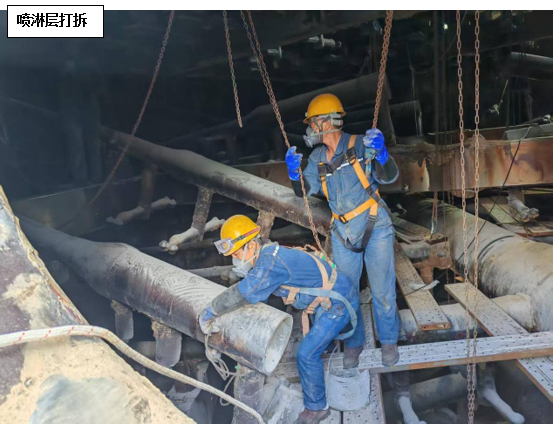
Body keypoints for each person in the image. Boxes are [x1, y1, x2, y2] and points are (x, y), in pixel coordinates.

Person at [199, 215, 365, 424]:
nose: (235, 259)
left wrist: (211, 310)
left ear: (252, 245)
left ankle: (317, 408)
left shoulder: (269, 266)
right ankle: (354, 344)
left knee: (306, 355)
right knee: (332, 321)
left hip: (337, 303)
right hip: (337, 289)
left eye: (237, 253)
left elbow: (243, 292)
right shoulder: (269, 252)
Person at [285, 93, 400, 366]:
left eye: (312, 123)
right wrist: (294, 174)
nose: (309, 129)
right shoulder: (317, 158)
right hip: (343, 232)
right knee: (346, 293)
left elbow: (389, 177)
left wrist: (382, 154)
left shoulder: (360, 145)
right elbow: (305, 191)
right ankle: (354, 343)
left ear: (327, 122)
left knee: (382, 291)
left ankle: (388, 342)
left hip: (375, 226)